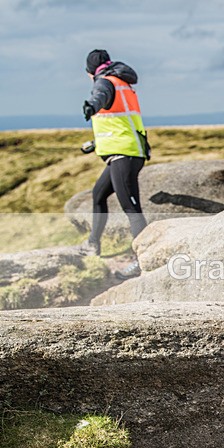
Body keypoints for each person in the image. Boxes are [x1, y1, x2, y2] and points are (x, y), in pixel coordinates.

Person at [78, 49, 150, 280]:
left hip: (125, 154)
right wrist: (96, 143)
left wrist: (91, 105)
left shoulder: (105, 82)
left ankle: (142, 261)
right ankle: (92, 244)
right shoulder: (121, 82)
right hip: (123, 151)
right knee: (99, 194)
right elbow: (118, 122)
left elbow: (100, 96)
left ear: (90, 71)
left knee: (131, 209)